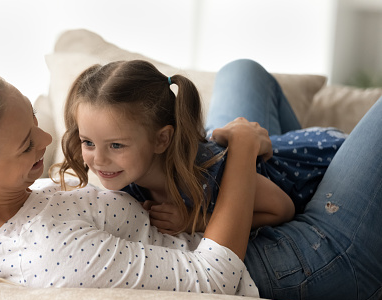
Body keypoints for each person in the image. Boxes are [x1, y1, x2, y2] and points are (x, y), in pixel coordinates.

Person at [0, 61, 381, 300]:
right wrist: (244, 146)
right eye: (28, 141)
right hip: (288, 261)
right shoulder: (48, 252)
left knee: (241, 71)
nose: (50, 140)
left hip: (199, 193)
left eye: (36, 120)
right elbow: (215, 278)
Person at [54, 59, 346, 234]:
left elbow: (281, 209)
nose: (99, 159)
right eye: (88, 142)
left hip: (325, 163)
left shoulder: (203, 173)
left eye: (116, 145)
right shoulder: (128, 178)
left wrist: (195, 222)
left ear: (161, 140)